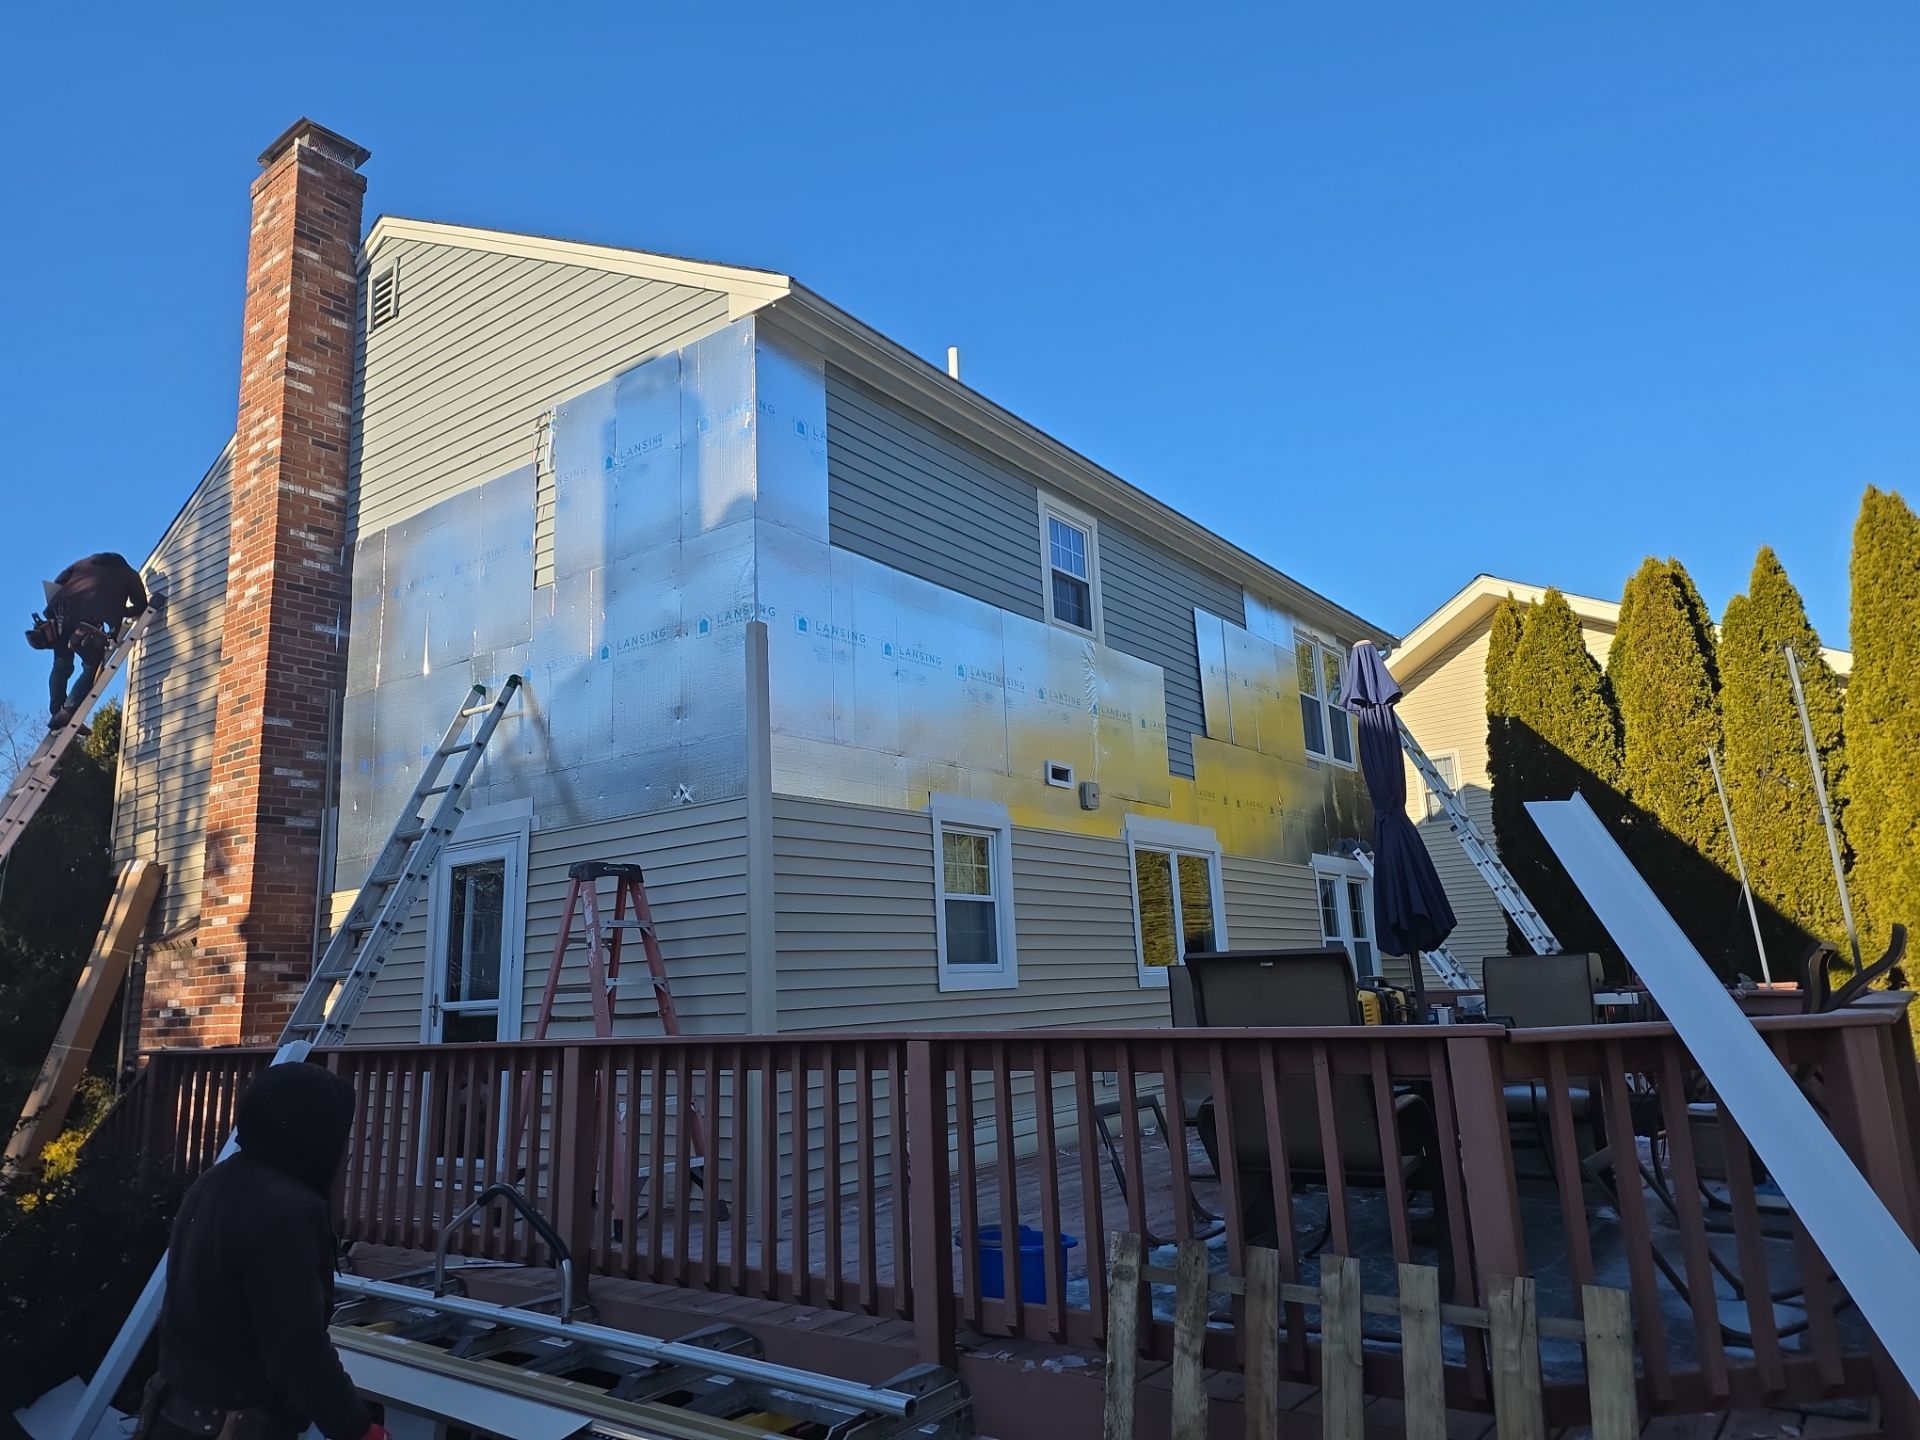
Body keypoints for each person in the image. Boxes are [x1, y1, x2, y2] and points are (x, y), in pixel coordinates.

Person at [137, 1062, 387, 1440]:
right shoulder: (282, 1210)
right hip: (228, 1427)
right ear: (314, 1133)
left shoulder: (216, 1181)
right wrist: (358, 1429)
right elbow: (298, 1350)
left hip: (176, 1418)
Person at [29, 552, 148, 729]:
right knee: (91, 667)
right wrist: (117, 611)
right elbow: (141, 606)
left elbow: (59, 581)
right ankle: (68, 711)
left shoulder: (84, 563)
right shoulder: (129, 574)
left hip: (62, 615)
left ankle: (57, 710)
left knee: (61, 664)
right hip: (89, 627)